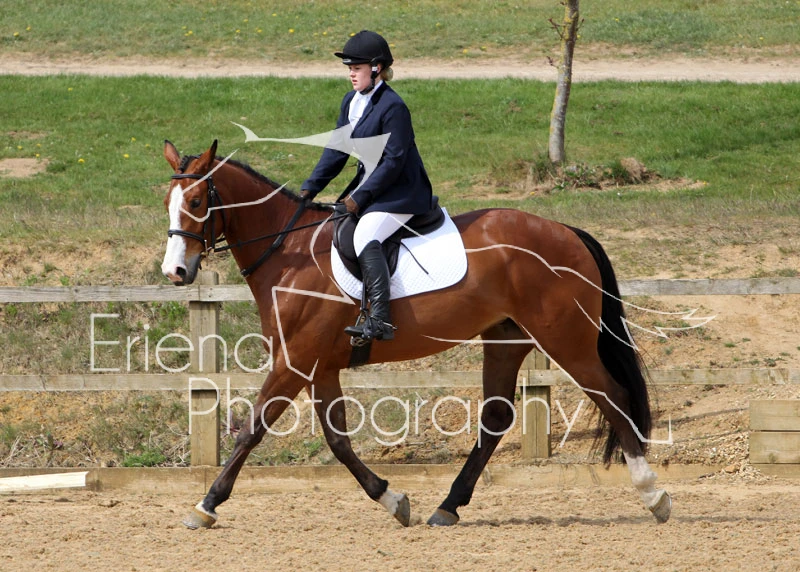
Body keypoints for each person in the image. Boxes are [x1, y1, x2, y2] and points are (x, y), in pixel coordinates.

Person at [301, 30, 434, 341]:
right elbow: (336, 151)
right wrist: (309, 189)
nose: (351, 74)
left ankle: (380, 320)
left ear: (377, 68)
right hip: (376, 189)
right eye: (349, 68)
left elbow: (393, 162)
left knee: (364, 236)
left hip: (402, 192)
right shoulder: (351, 101)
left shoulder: (393, 107)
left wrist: (359, 197)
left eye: (357, 68)